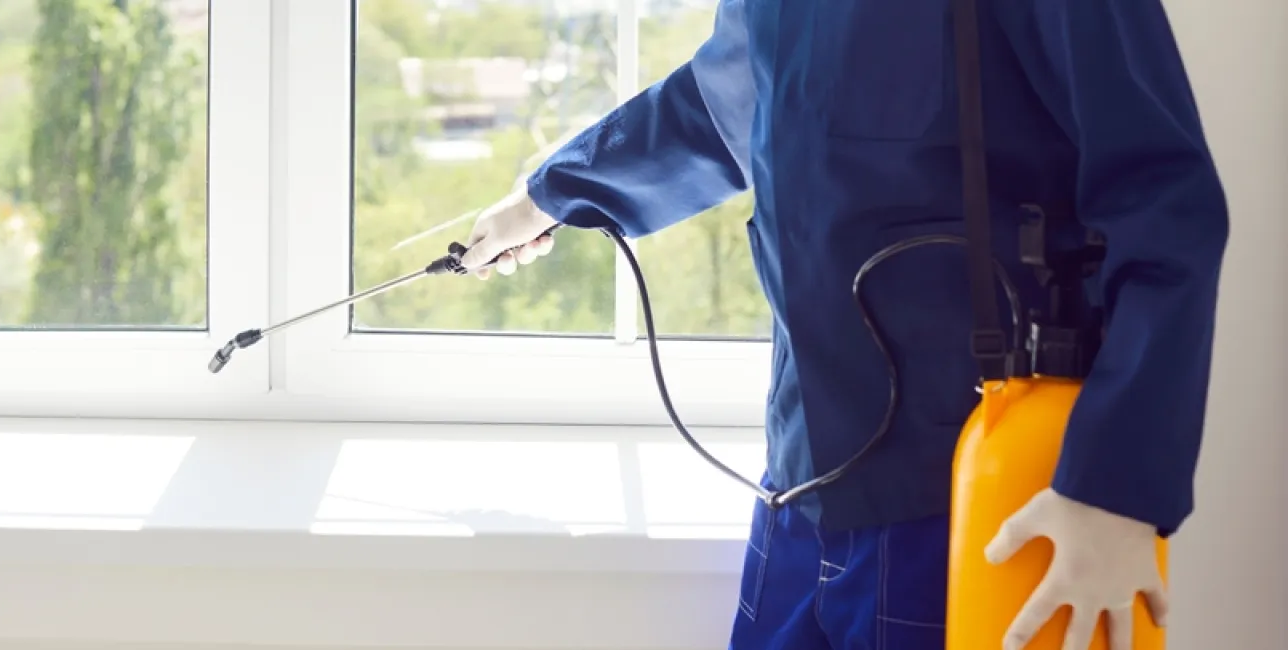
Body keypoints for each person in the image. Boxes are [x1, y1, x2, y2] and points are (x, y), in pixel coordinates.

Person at [457, 1, 1229, 649]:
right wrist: (546, 198)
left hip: (964, 493)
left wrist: (1114, 489)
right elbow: (720, 101)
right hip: (800, 483)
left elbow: (1164, 204)